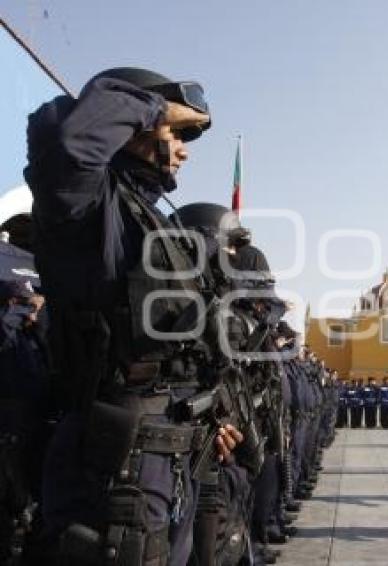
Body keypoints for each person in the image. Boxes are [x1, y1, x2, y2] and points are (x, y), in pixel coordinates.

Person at [26, 67, 244, 564]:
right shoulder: (86, 206)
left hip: (172, 452)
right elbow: (66, 142)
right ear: (136, 128)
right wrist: (152, 109)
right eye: (177, 133)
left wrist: (212, 419)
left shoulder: (153, 220)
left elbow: (183, 350)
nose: (184, 149)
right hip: (115, 459)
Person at [0, 280, 49, 563]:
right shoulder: (8, 328)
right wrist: (27, 309)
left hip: (34, 420)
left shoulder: (32, 335)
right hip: (10, 421)